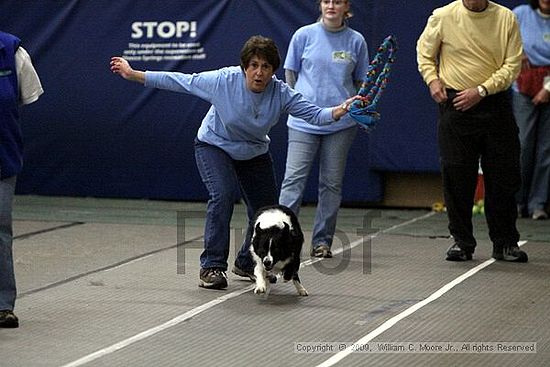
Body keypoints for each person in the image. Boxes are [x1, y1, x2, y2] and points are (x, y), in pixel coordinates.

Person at [110, 35, 360, 290]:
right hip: (214, 145)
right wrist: (134, 74)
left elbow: (316, 115)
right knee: (223, 195)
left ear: (273, 70)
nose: (259, 73)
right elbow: (181, 81)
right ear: (244, 67)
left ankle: (245, 262)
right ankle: (212, 266)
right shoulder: (223, 81)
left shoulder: (281, 93)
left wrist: (341, 109)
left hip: (253, 152)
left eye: (265, 67)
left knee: (266, 212)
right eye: (253, 65)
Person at [416, 0, 528, 262]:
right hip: (455, 104)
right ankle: (462, 242)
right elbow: (424, 53)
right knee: (457, 176)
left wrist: (482, 90)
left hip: (494, 102)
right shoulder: (443, 16)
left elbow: (512, 65)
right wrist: (432, 79)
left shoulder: (506, 18)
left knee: (503, 176)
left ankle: (505, 242)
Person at [279, 0, 368, 258]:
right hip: (303, 123)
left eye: (337, 1)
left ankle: (321, 242)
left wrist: (357, 106)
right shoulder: (303, 35)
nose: (331, 6)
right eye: (327, 1)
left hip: (341, 124)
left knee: (331, 184)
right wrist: (299, 105)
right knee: (293, 181)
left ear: (346, 7)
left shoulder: (356, 41)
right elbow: (290, 74)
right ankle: (283, 239)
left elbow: (361, 81)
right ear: (320, 5)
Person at [0, 31, 44, 328]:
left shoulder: (11, 52)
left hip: (2, 158)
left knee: (0, 231)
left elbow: (26, 96)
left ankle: (3, 305)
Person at [512, 0, 550, 220]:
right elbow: (505, 42)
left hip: (548, 85)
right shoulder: (520, 14)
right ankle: (516, 201)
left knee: (546, 148)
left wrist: (547, 88)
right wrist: (518, 53)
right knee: (522, 143)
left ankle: (538, 204)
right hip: (523, 86)